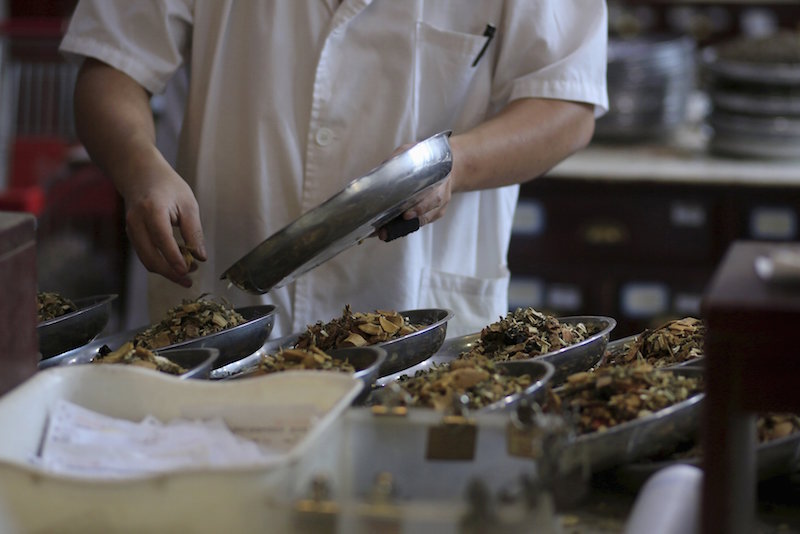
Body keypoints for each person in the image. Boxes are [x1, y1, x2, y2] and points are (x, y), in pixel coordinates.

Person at [60, 1, 608, 338]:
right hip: (226, 310)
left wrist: (456, 165)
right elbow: (112, 66)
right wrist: (141, 169)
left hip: (414, 312)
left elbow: (565, 105)